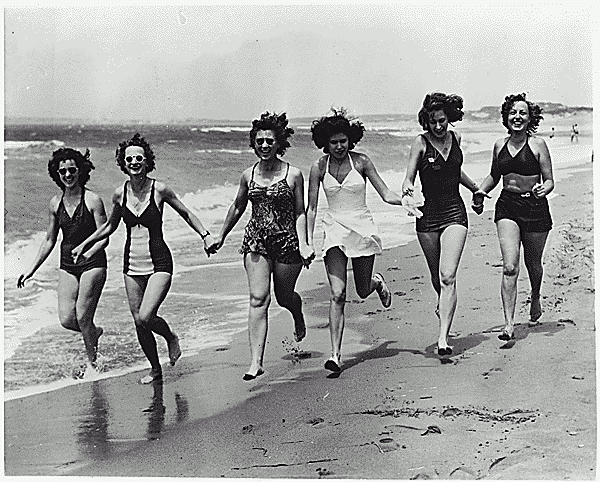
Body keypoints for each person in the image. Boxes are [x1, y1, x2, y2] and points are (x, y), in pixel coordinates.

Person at [72, 133, 214, 384]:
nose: (135, 162)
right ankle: (155, 369)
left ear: (147, 161)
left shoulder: (159, 189)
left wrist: (205, 235)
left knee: (147, 316)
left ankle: (170, 337)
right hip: (131, 265)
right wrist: (85, 244)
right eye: (130, 159)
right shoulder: (119, 194)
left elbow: (186, 213)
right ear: (123, 163)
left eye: (139, 158)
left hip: (160, 262)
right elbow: (109, 228)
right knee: (138, 322)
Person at [208, 112, 313, 381]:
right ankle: (256, 361)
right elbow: (238, 206)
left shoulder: (294, 175)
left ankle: (296, 313)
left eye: (269, 141)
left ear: (279, 143)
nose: (264, 146)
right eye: (259, 141)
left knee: (284, 297)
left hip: (288, 242)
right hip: (256, 240)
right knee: (258, 298)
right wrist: (221, 235)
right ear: (253, 144)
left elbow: (300, 212)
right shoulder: (248, 174)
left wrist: (304, 244)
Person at [306, 108, 403, 372]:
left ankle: (376, 282)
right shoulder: (318, 167)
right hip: (334, 228)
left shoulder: (361, 162)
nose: (339, 146)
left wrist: (406, 201)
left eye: (343, 141)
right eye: (333, 142)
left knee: (362, 290)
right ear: (324, 143)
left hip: (361, 228)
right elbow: (312, 208)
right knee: (337, 294)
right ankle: (336, 355)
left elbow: (384, 193)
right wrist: (307, 241)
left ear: (351, 140)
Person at [401, 93, 483, 357]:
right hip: (427, 216)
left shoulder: (456, 139)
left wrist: (475, 189)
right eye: (434, 122)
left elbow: (454, 171)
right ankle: (443, 306)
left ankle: (443, 338)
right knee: (438, 279)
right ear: (426, 121)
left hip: (454, 212)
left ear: (450, 118)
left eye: (443, 121)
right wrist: (406, 196)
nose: (438, 127)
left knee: (448, 276)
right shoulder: (420, 143)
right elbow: (408, 179)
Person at [17, 147, 108, 374]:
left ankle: (92, 366)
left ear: (80, 171)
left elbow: (105, 237)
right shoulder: (55, 203)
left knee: (83, 316)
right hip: (68, 265)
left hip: (93, 263)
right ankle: (93, 333)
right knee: (68, 319)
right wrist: (31, 270)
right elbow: (49, 240)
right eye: (62, 171)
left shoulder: (93, 200)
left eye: (72, 170)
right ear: (56, 174)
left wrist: (87, 252)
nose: (68, 175)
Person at [472, 93, 554, 340]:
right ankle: (508, 324)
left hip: (535, 207)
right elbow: (494, 176)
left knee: (533, 264)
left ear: (530, 118)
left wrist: (544, 188)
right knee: (509, 266)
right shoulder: (499, 145)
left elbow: (549, 180)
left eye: (522, 113)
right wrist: (480, 192)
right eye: (512, 113)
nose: (517, 117)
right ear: (506, 118)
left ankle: (536, 296)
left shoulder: (538, 145)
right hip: (507, 206)